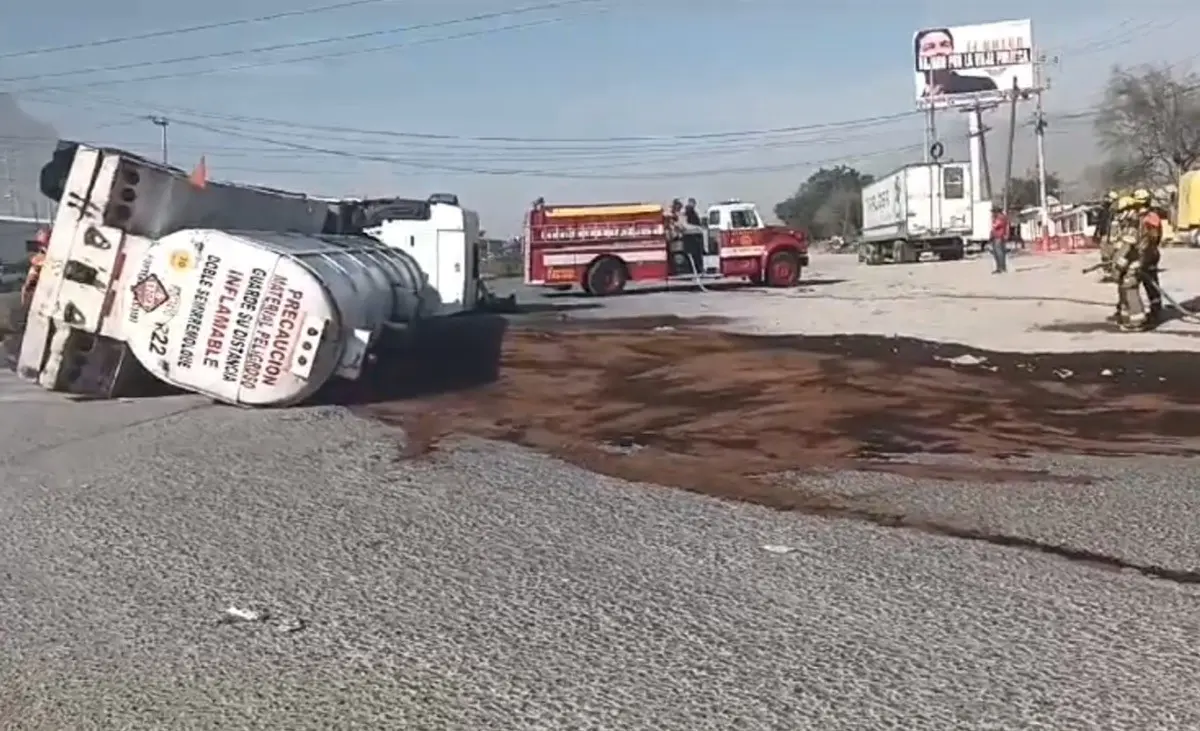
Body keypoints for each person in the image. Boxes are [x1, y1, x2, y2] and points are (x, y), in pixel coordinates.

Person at [1112, 189, 1164, 331]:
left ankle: (1152, 312)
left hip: (1147, 256)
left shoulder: (1147, 219)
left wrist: (1126, 262)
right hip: (1142, 256)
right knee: (1128, 286)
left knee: (1144, 284)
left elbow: (1148, 240)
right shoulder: (1137, 219)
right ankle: (1127, 314)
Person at [914, 28, 1000, 99]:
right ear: (918, 57)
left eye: (945, 45)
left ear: (952, 51)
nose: (939, 51)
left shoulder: (983, 86)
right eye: (930, 47)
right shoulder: (919, 101)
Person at [1093, 190, 1119, 282]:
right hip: (1105, 235)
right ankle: (1108, 273)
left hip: (1112, 236)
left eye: (1108, 198)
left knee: (1112, 255)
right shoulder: (1103, 210)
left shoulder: (1116, 211)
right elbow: (1099, 223)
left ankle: (1112, 274)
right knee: (1105, 256)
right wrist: (1096, 233)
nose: (1105, 200)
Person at [989, 207, 1008, 273]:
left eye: (993, 212)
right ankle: (999, 267)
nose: (992, 214)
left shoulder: (1000, 217)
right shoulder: (999, 217)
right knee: (996, 253)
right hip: (996, 236)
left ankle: (1001, 268)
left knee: (999, 253)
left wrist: (993, 220)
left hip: (999, 237)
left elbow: (996, 225)